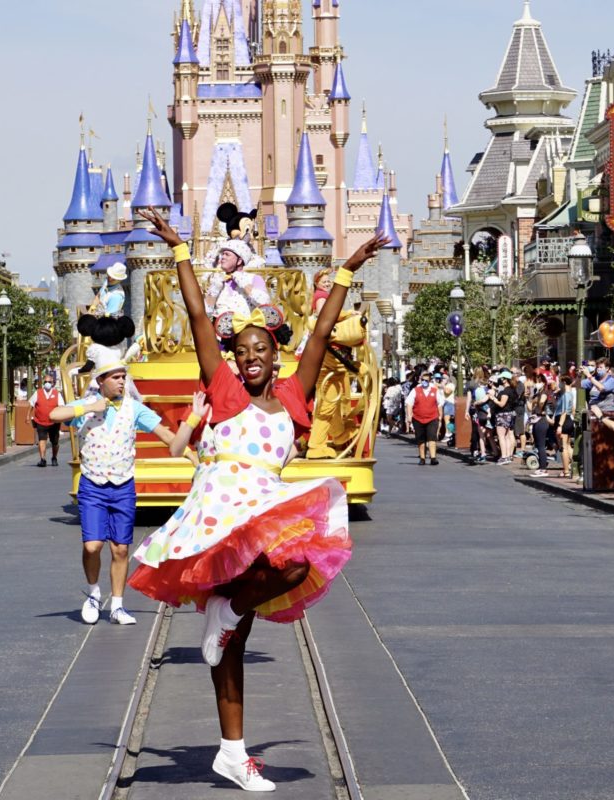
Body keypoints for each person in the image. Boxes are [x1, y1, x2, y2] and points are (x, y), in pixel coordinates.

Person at [129, 208, 383, 792]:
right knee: (231, 648)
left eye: (258, 350)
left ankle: (231, 611)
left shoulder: (295, 394)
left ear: (274, 354)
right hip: (220, 510)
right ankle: (232, 752)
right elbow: (196, 315)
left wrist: (344, 271)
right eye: (241, 351)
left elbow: (319, 334)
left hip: (263, 507)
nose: (249, 358)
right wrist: (179, 252)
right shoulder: (221, 386)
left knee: (298, 562)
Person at [48, 349, 178, 628]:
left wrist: (194, 455)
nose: (122, 382)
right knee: (93, 545)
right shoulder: (88, 405)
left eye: (123, 377)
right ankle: (94, 594)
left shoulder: (134, 408)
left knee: (120, 549)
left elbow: (165, 434)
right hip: (93, 484)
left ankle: (117, 605)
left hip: (122, 485)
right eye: (116, 377)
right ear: (102, 380)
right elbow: (54, 414)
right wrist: (88, 408)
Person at [203, 238, 271, 318]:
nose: (222, 257)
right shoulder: (218, 280)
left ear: (239, 261)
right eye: (223, 254)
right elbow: (206, 313)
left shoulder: (254, 278)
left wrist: (244, 283)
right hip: (220, 328)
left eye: (227, 254)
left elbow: (265, 304)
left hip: (247, 328)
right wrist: (215, 289)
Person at [405, 370, 445, 465]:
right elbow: (409, 403)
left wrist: (440, 417)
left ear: (430, 381)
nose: (424, 382)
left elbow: (439, 404)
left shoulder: (435, 391)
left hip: (432, 418)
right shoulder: (415, 390)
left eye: (426, 380)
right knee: (421, 439)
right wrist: (409, 416)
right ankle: (422, 458)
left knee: (432, 438)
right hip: (418, 418)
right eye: (423, 380)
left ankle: (433, 458)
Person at [29, 374, 62, 467]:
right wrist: (28, 416)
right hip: (41, 421)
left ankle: (54, 457)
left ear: (53, 383)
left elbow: (62, 406)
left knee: (55, 442)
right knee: (42, 440)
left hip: (54, 422)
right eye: (45, 382)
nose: (47, 384)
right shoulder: (38, 392)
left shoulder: (57, 394)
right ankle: (42, 459)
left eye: (49, 382)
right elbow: (31, 404)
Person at [555, 375, 576, 479]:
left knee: (563, 447)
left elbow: (563, 412)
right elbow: (572, 409)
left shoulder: (566, 395)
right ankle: (572, 466)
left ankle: (566, 470)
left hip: (564, 421)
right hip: (568, 420)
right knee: (567, 445)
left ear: (563, 382)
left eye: (560, 382)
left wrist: (560, 425)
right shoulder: (569, 394)